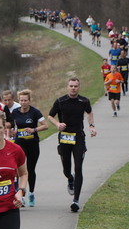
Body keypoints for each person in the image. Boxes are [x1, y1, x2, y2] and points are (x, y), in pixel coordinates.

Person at [47, 78, 97, 213]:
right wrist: (57, 124)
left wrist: (91, 126)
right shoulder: (60, 101)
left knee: (79, 167)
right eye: (71, 86)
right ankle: (70, 178)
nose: (73, 88)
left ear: (79, 87)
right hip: (65, 137)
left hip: (79, 137)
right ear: (67, 87)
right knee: (66, 169)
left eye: (75, 86)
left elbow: (90, 112)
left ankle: (76, 200)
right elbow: (50, 116)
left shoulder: (84, 101)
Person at [12, 89, 48, 207]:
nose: (23, 103)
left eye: (25, 100)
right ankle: (20, 195)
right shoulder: (15, 113)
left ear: (29, 100)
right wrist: (13, 132)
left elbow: (45, 125)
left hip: (32, 144)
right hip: (19, 144)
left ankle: (31, 193)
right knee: (18, 170)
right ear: (19, 100)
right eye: (21, 100)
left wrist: (34, 130)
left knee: (31, 170)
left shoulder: (35, 112)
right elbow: (11, 126)